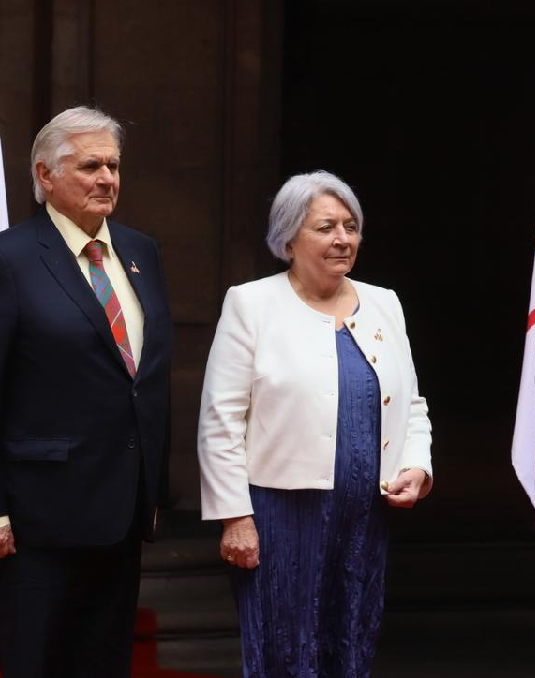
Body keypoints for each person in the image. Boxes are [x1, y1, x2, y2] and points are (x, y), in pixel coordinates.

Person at [0, 106, 172, 678]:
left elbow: (142, 380)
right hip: (36, 519)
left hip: (121, 512)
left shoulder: (141, 251)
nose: (107, 179)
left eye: (114, 166)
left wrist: (153, 489)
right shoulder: (4, 261)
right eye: (90, 165)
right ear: (45, 175)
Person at [197, 170, 432, 677]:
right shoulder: (252, 303)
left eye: (351, 226)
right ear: (288, 237)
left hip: (365, 515)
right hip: (280, 516)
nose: (343, 239)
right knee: (284, 649)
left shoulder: (384, 302)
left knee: (350, 643)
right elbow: (220, 419)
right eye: (325, 227)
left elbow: (412, 404)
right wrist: (234, 516)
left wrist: (416, 465)